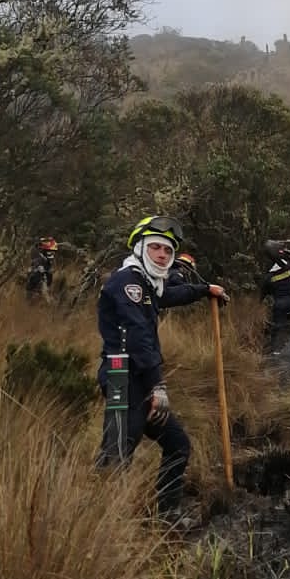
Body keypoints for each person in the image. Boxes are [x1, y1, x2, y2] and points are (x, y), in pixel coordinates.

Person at [96, 215, 228, 522]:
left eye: (167, 251)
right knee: (115, 457)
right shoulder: (127, 282)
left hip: (139, 378)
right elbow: (139, 337)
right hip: (120, 375)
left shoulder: (146, 282)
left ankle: (167, 515)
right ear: (140, 248)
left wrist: (205, 289)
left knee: (177, 445)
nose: (162, 255)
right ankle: (99, 528)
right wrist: (158, 386)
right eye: (155, 247)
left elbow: (167, 295)